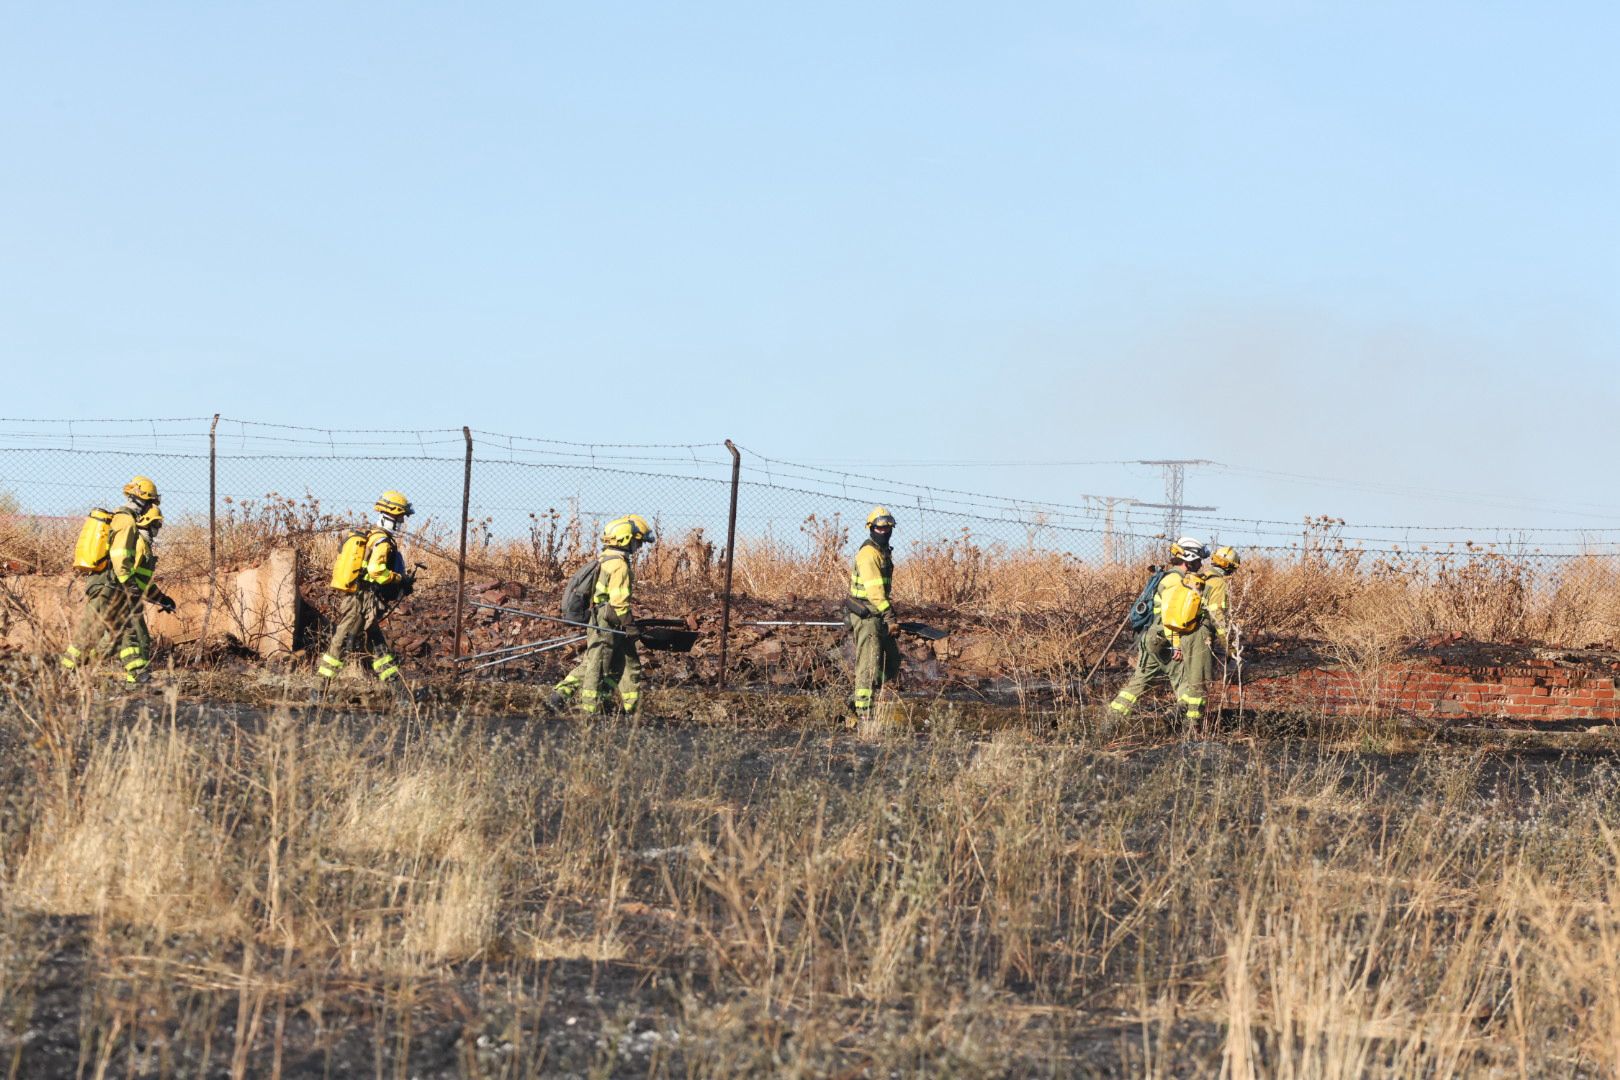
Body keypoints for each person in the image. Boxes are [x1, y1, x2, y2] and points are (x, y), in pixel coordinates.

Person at [61, 476, 177, 685]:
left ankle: (137, 674)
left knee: (128, 633)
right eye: (150, 502)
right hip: (108, 584)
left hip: (114, 585)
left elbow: (139, 578)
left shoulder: (126, 520)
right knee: (91, 631)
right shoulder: (126, 520)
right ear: (141, 499)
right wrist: (128, 582)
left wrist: (158, 597)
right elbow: (120, 555)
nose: (149, 507)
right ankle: (62, 674)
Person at [552, 514, 655, 715]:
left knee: (620, 661)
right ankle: (588, 708)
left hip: (604, 617)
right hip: (608, 620)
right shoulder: (620, 565)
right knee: (598, 662)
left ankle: (610, 702)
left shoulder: (606, 559)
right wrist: (630, 626)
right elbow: (618, 602)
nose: (639, 547)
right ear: (626, 540)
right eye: (637, 542)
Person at [1108, 537, 1213, 727]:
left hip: (1152, 638)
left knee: (1140, 681)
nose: (1200, 564)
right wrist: (1176, 646)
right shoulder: (1176, 581)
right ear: (1189, 559)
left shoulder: (1169, 576)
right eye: (1198, 560)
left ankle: (1111, 718)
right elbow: (1172, 618)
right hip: (1164, 638)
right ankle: (1181, 723)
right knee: (1184, 679)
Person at [317, 490, 414, 686]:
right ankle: (319, 690)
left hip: (363, 599)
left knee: (378, 646)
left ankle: (399, 691)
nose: (401, 523)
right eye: (400, 518)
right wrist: (398, 579)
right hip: (361, 601)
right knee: (342, 641)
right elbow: (376, 571)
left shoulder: (373, 535)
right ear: (390, 516)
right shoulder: (382, 541)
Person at [845, 506, 902, 724]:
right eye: (879, 527)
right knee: (868, 665)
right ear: (871, 528)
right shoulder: (869, 554)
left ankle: (856, 700)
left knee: (891, 662)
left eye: (887, 527)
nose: (884, 531)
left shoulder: (882, 552)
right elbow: (876, 591)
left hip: (878, 613)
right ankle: (864, 715)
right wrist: (890, 616)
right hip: (868, 615)